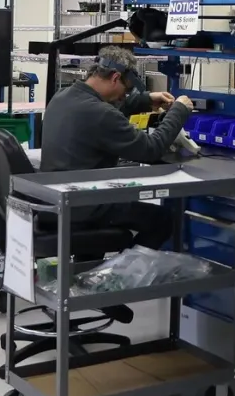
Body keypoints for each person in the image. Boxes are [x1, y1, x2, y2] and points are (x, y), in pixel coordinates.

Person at [39, 46, 194, 247]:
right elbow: (151, 149)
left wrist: (146, 100)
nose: (124, 96)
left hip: (55, 199)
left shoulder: (63, 96)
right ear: (114, 78)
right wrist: (179, 111)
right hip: (83, 205)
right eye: (127, 90)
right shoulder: (100, 113)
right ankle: (124, 274)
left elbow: (108, 109)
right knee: (161, 220)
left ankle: (91, 271)